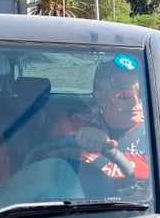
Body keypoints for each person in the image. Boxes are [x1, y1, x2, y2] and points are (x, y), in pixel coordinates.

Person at [51, 55, 149, 192]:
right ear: (101, 96)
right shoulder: (73, 124)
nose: (136, 102)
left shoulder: (158, 130)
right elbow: (48, 171)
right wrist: (79, 145)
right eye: (124, 95)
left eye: (141, 94)